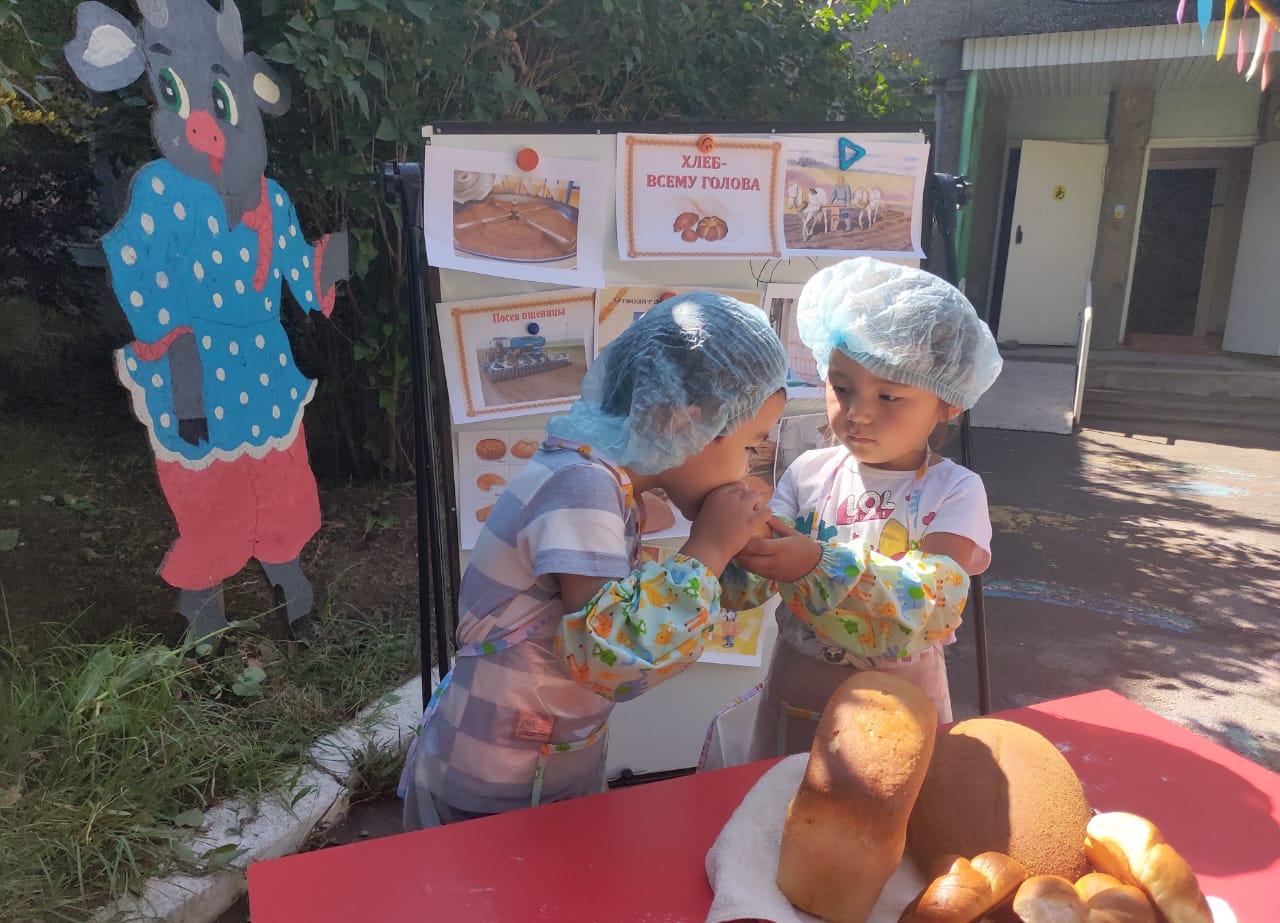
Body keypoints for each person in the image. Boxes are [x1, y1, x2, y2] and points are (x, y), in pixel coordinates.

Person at [400, 293, 788, 827]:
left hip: (542, 759)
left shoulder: (603, 480)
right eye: (750, 446)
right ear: (684, 422)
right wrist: (709, 549)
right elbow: (608, 655)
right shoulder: (582, 486)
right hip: (496, 783)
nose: (747, 468)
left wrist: (739, 558)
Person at [719, 258, 1002, 762]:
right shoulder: (808, 472)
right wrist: (740, 532)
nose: (857, 412)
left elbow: (932, 601)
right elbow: (746, 588)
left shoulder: (954, 491)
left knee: (893, 804)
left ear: (948, 401)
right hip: (795, 691)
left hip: (898, 707)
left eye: (889, 395)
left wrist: (815, 564)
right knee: (784, 798)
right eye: (841, 386)